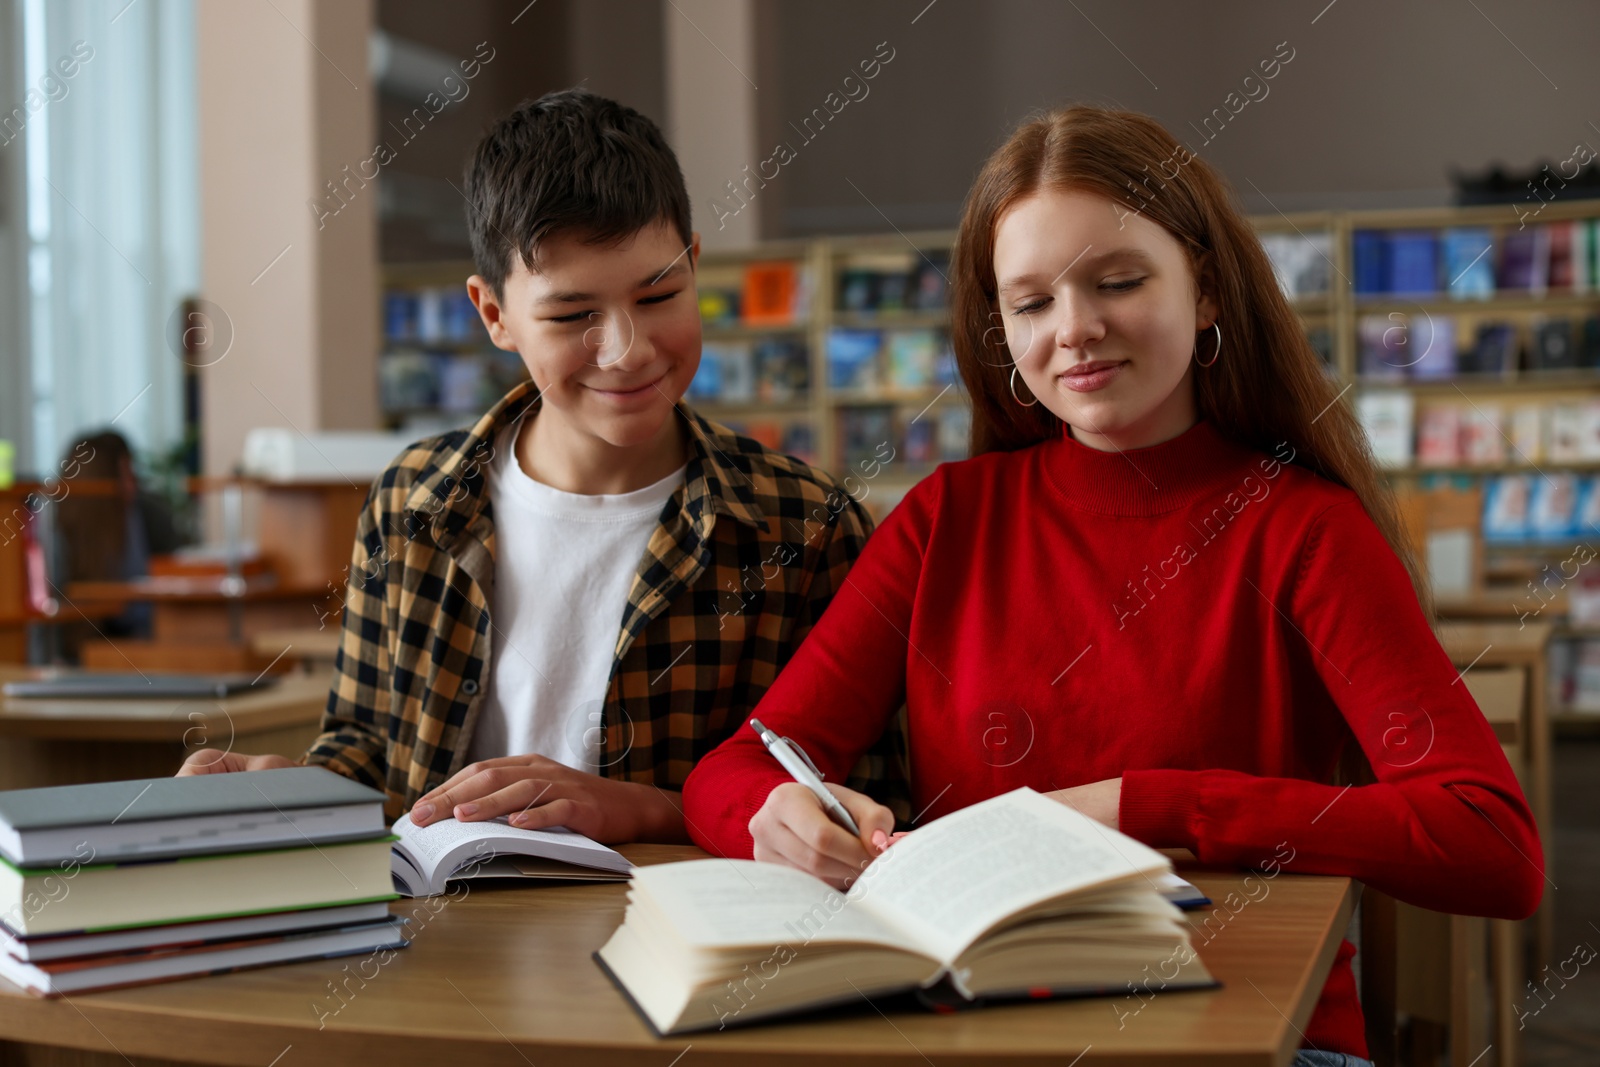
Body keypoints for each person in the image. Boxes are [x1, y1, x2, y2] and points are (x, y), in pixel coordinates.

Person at [680, 106, 1541, 1067]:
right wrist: (780, 819)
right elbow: (741, 767)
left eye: (1118, 282)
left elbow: (1491, 842)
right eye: (1030, 303)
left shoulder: (1305, 527)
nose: (1076, 331)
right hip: (983, 1037)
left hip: (1252, 1039)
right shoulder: (945, 519)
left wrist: (1140, 806)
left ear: (1206, 291)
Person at [178, 88, 910, 844]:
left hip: (686, 949)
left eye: (659, 293)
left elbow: (866, 808)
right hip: (445, 952)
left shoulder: (807, 526)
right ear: (494, 313)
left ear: (694, 264)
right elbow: (369, 751)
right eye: (570, 316)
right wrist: (291, 787)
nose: (626, 348)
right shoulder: (410, 502)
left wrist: (642, 808)